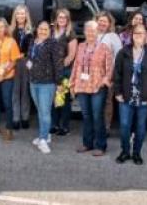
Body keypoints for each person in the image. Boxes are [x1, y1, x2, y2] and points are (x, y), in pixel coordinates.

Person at [113, 24, 147, 165]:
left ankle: (137, 153)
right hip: (126, 96)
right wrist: (117, 92)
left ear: (146, 36)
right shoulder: (123, 52)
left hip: (144, 97)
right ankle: (125, 151)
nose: (139, 36)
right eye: (136, 33)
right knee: (124, 126)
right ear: (131, 35)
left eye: (141, 33)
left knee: (140, 127)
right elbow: (117, 74)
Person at [71, 20, 113, 156]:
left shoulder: (104, 47)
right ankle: (87, 143)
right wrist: (72, 83)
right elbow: (76, 66)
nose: (90, 33)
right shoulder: (80, 46)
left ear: (97, 33)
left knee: (97, 116)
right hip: (82, 85)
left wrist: (105, 80)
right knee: (86, 116)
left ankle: (100, 145)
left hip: (97, 86)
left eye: (93, 31)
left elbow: (110, 67)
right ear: (84, 32)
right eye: (88, 30)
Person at [27, 20, 64, 154]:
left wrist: (59, 83)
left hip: (47, 83)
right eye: (41, 29)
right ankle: (46, 134)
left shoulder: (53, 44)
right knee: (40, 110)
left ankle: (43, 139)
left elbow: (58, 64)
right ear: (37, 29)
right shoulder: (33, 41)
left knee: (45, 111)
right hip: (33, 81)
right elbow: (30, 58)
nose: (43, 31)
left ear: (50, 31)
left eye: (46, 30)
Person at [51, 8, 78, 136]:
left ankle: (64, 125)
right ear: (56, 19)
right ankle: (54, 124)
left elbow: (71, 56)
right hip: (50, 71)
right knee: (53, 98)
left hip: (64, 70)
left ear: (68, 20)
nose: (61, 19)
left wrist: (60, 68)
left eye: (64, 17)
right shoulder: (51, 32)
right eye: (59, 17)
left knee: (63, 98)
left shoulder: (70, 34)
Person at [96, 11, 122, 133]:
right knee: (94, 101)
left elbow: (118, 57)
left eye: (105, 21)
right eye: (100, 20)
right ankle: (95, 126)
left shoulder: (113, 37)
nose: (102, 23)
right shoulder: (92, 34)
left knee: (107, 101)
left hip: (108, 74)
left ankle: (106, 127)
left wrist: (111, 75)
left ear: (109, 23)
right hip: (93, 75)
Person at [10, 5, 33, 130]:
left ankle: (25, 117)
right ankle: (15, 118)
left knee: (25, 91)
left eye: (22, 14)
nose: (20, 16)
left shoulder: (30, 30)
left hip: (26, 62)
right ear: (15, 16)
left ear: (26, 16)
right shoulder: (10, 30)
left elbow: (33, 48)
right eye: (18, 14)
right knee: (15, 91)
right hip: (13, 62)